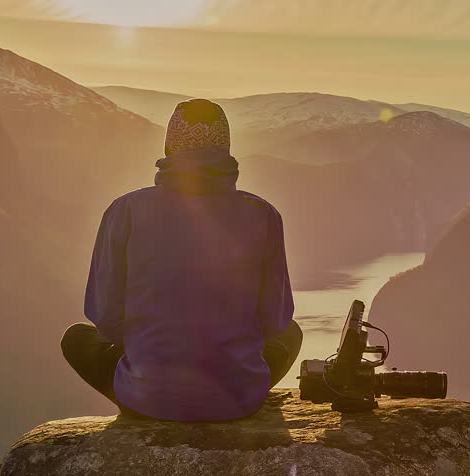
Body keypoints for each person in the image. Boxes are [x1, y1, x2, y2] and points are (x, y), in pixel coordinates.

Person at [61, 99, 302, 421]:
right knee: (293, 334)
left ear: (169, 147)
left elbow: (102, 312)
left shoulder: (126, 210)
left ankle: (147, 399)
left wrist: (151, 347)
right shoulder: (263, 214)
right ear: (226, 147)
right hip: (238, 398)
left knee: (77, 339)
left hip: (147, 396)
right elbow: (276, 320)